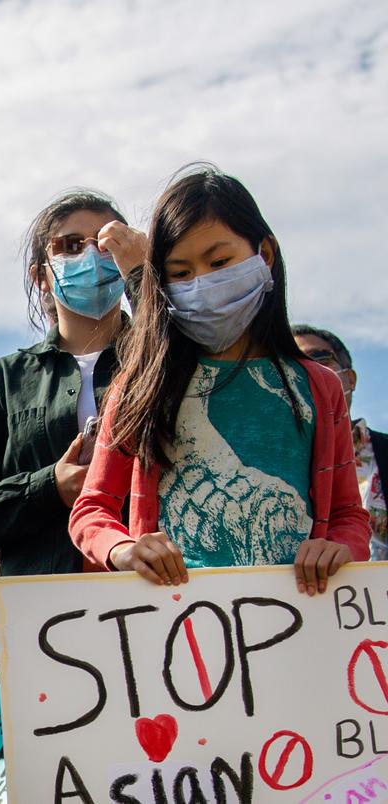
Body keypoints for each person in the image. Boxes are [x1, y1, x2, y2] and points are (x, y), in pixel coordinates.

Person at [70, 165, 371, 594]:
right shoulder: (141, 387)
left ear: (264, 254)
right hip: (175, 625)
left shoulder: (318, 387)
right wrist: (122, 549)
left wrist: (341, 546)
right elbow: (92, 509)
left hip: (300, 626)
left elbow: (348, 513)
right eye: (180, 272)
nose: (202, 283)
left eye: (219, 262)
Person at [0, 191, 147, 578]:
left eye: (107, 243)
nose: (90, 256)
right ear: (40, 276)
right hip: (47, 617)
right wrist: (48, 486)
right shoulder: (6, 379)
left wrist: (145, 279)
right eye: (69, 246)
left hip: (158, 599)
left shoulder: (162, 362)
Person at [293, 324, 387, 559]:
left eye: (319, 359)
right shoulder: (280, 462)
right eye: (293, 364)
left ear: (350, 378)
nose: (309, 372)